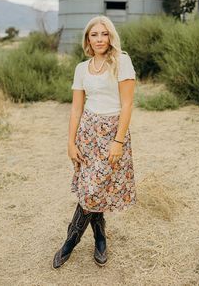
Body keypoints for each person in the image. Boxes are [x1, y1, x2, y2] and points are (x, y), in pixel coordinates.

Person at [53, 15, 137, 269]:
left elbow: (127, 104)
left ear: (111, 36)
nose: (99, 39)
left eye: (104, 34)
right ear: (87, 39)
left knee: (92, 190)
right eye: (94, 35)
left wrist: (118, 141)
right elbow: (76, 110)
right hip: (88, 134)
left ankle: (71, 238)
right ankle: (100, 236)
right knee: (92, 188)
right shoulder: (81, 68)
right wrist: (70, 142)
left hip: (112, 132)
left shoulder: (122, 62)